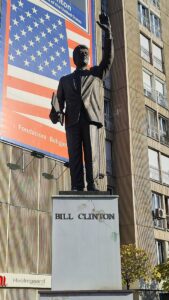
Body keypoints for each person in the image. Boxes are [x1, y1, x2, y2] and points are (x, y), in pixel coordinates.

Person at [51, 13, 114, 191]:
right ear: (75, 58)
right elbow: (58, 103)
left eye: (86, 52)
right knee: (75, 155)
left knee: (91, 154)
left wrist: (108, 35)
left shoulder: (95, 74)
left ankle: (92, 185)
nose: (84, 54)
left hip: (90, 119)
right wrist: (56, 113)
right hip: (72, 122)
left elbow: (108, 59)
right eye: (81, 53)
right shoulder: (65, 80)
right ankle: (77, 186)